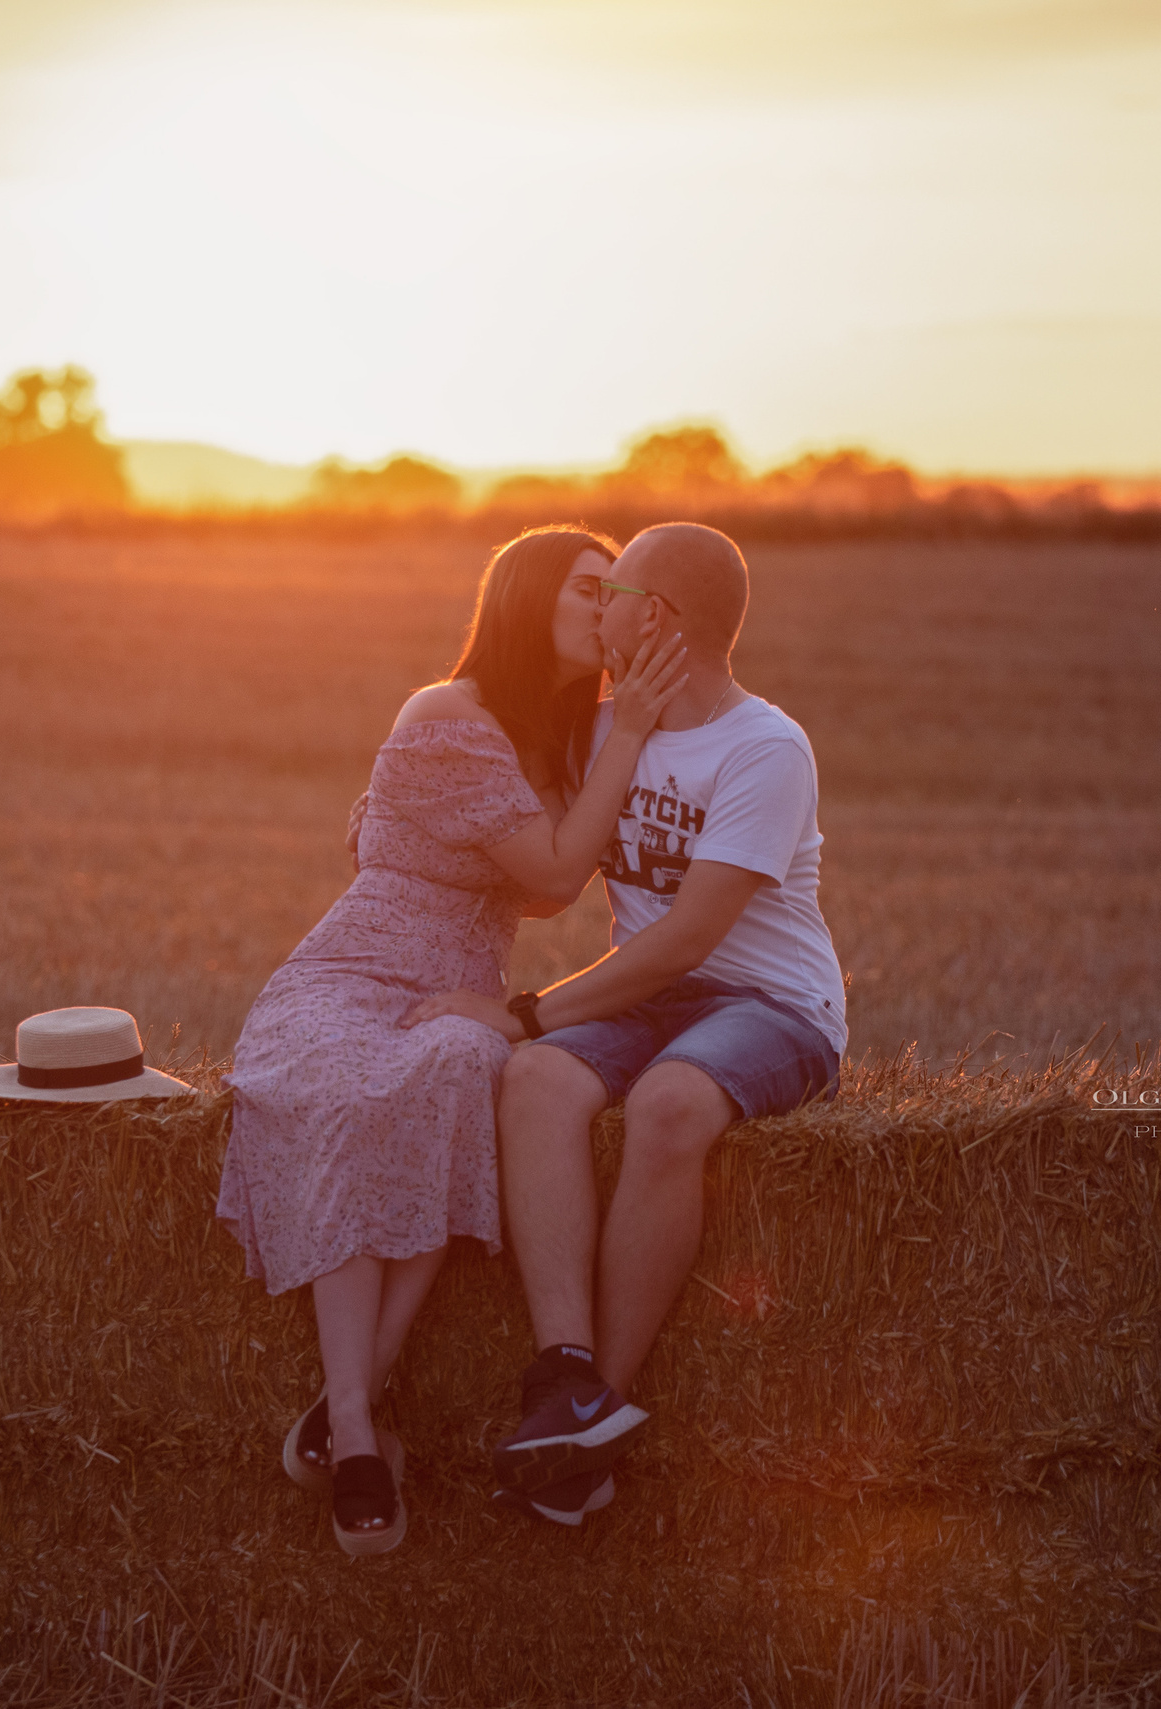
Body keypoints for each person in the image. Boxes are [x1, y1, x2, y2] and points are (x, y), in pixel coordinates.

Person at [216, 525, 689, 1556]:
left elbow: (552, 881)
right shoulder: (447, 716)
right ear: (525, 599)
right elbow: (560, 876)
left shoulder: (560, 739)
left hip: (455, 997)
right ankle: (353, 1429)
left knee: (456, 1072)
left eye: (618, 595)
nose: (608, 610)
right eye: (588, 590)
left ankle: (349, 1403)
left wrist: (628, 727)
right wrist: (630, 732)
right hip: (346, 979)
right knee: (349, 1095)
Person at [396, 522, 847, 1526]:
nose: (599, 607)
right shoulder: (602, 732)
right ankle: (563, 1376)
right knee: (537, 1082)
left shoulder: (765, 746)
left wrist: (525, 1012)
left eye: (616, 590)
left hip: (770, 1004)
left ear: (662, 616)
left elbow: (688, 938)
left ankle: (596, 1396)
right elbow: (542, 858)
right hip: (646, 1001)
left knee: (672, 1101)